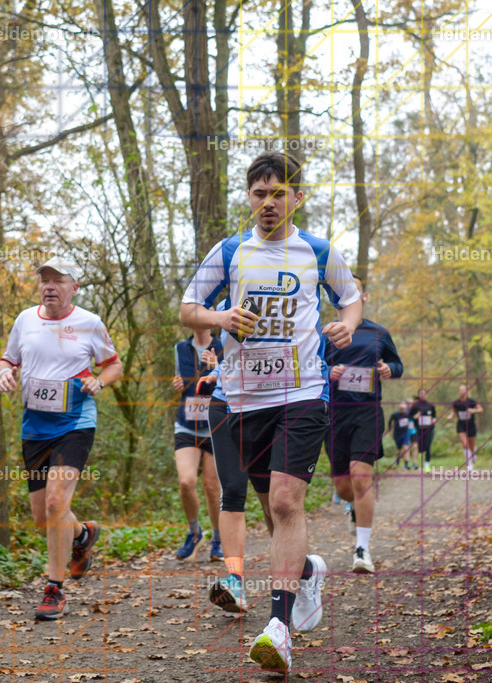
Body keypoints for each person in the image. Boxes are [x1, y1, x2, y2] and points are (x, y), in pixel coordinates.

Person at [179, 151, 362, 673]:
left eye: (278, 192)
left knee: (286, 502)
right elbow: (188, 307)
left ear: (296, 197)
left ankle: (278, 628)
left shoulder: (318, 251)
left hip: (302, 393)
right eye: (259, 194)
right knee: (271, 510)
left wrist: (347, 323)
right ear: (249, 198)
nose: (268, 203)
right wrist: (220, 315)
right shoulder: (230, 251)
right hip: (240, 400)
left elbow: (351, 298)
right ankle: (307, 573)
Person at [0, 257, 123, 621]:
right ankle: (83, 535)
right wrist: (4, 374)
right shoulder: (25, 320)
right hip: (34, 427)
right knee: (42, 516)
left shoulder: (89, 323)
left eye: (58, 280)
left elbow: (113, 363)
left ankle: (54, 590)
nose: (49, 286)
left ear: (75, 288)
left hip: (75, 423)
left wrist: (101, 380)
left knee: (55, 503)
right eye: (44, 280)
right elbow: (9, 359)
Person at [324, 274, 403, 574]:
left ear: (364, 297)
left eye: (355, 291)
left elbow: (398, 365)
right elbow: (310, 368)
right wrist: (329, 371)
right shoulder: (325, 334)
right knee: (344, 487)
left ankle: (362, 549)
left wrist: (387, 368)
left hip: (368, 413)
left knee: (361, 478)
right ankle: (353, 509)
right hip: (334, 415)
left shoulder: (379, 333)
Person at [198, 356, 274, 614]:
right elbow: (232, 347)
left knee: (275, 500)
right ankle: (235, 581)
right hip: (225, 402)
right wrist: (216, 372)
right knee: (231, 491)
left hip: (272, 404)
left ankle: (297, 569)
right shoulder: (226, 314)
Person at [171, 332, 224, 560]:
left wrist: (218, 368)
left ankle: (218, 539)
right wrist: (178, 383)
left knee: (212, 488)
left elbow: (235, 383)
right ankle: (194, 533)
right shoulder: (181, 348)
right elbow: (180, 379)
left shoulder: (223, 345)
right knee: (186, 482)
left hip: (215, 426)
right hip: (187, 425)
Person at [451, 383, 483, 471]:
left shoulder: (472, 401)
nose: (462, 392)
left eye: (463, 390)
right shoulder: (456, 403)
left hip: (471, 425)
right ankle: (469, 464)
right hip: (461, 425)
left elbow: (480, 409)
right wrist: (451, 415)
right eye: (460, 390)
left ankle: (473, 453)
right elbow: (454, 411)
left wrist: (474, 410)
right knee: (465, 444)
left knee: (471, 446)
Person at [409, 389, 438, 473]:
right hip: (418, 429)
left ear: (426, 395)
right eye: (421, 394)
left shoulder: (430, 406)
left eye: (424, 393)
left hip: (429, 429)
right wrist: (414, 417)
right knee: (421, 448)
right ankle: (418, 460)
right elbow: (409, 416)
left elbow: (434, 416)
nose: (422, 395)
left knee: (428, 446)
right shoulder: (415, 406)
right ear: (418, 395)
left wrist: (434, 419)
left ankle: (427, 465)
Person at [388, 401, 413, 469]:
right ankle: (398, 460)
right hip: (397, 434)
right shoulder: (395, 415)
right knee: (399, 450)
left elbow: (411, 422)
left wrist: (411, 430)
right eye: (401, 408)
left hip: (406, 433)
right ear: (399, 408)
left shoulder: (407, 415)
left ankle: (406, 464)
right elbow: (390, 422)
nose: (402, 410)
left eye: (404, 409)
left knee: (406, 447)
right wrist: (390, 431)